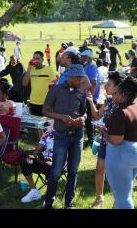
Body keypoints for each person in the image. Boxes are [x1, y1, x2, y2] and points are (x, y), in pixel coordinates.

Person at [42, 64, 87, 209]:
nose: (81, 80)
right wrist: (60, 116)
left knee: (73, 170)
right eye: (79, 77)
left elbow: (84, 113)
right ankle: (49, 202)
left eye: (81, 77)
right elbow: (45, 110)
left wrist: (83, 119)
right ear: (70, 77)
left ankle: (69, 203)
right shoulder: (55, 90)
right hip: (61, 136)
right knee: (55, 171)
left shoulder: (81, 92)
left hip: (77, 136)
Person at [86, 71, 124, 209]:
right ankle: (99, 198)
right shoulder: (108, 101)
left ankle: (118, 200)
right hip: (105, 140)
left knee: (118, 173)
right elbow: (96, 116)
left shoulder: (124, 105)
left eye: (108, 84)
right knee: (100, 169)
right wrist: (90, 101)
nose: (105, 87)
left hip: (119, 143)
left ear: (118, 88)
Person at [99, 76, 137, 209]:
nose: (114, 95)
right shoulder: (135, 107)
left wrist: (103, 132)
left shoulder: (120, 113)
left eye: (116, 92)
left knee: (122, 198)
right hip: (134, 154)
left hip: (121, 156)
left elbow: (116, 140)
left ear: (123, 95)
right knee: (127, 193)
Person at [20, 124, 55, 203]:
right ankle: (34, 191)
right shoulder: (48, 133)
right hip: (43, 161)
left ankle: (50, 195)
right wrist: (36, 154)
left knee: (48, 166)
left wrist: (52, 159)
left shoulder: (66, 136)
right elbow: (38, 148)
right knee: (25, 161)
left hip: (58, 163)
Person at [22, 51, 57, 117]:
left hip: (45, 103)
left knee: (43, 124)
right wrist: (29, 69)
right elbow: (24, 83)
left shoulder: (48, 69)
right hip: (32, 102)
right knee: (34, 124)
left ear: (42, 60)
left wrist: (53, 100)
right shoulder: (31, 70)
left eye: (38, 58)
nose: (35, 60)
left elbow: (56, 84)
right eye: (34, 58)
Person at [81, 49, 100, 146]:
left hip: (89, 97)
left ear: (87, 57)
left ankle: (91, 140)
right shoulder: (86, 66)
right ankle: (89, 138)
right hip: (86, 97)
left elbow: (93, 82)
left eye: (83, 56)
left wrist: (90, 97)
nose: (81, 58)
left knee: (89, 119)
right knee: (87, 118)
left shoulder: (91, 67)